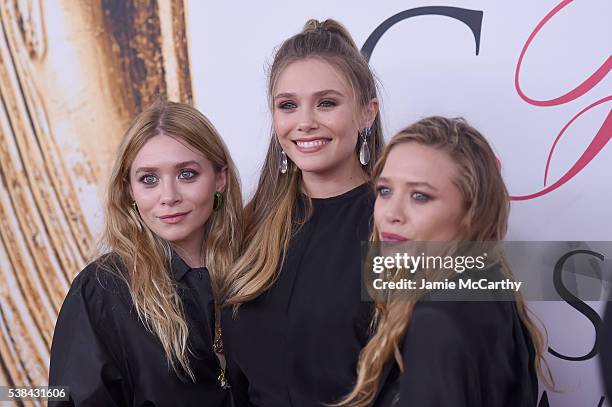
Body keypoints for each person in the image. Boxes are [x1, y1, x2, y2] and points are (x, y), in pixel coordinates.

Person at [221, 19, 384, 406]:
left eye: (327, 102)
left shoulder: (400, 224)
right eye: (288, 105)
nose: (305, 122)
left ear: (367, 113)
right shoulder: (250, 224)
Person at [339, 116, 551, 407]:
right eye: (385, 191)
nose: (391, 213)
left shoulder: (438, 320)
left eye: (420, 196)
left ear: (471, 212)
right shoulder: (490, 283)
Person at [48, 100, 243, 406]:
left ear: (220, 178)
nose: (168, 197)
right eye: (149, 179)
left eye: (187, 174)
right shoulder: (101, 290)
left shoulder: (257, 267)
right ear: (129, 190)